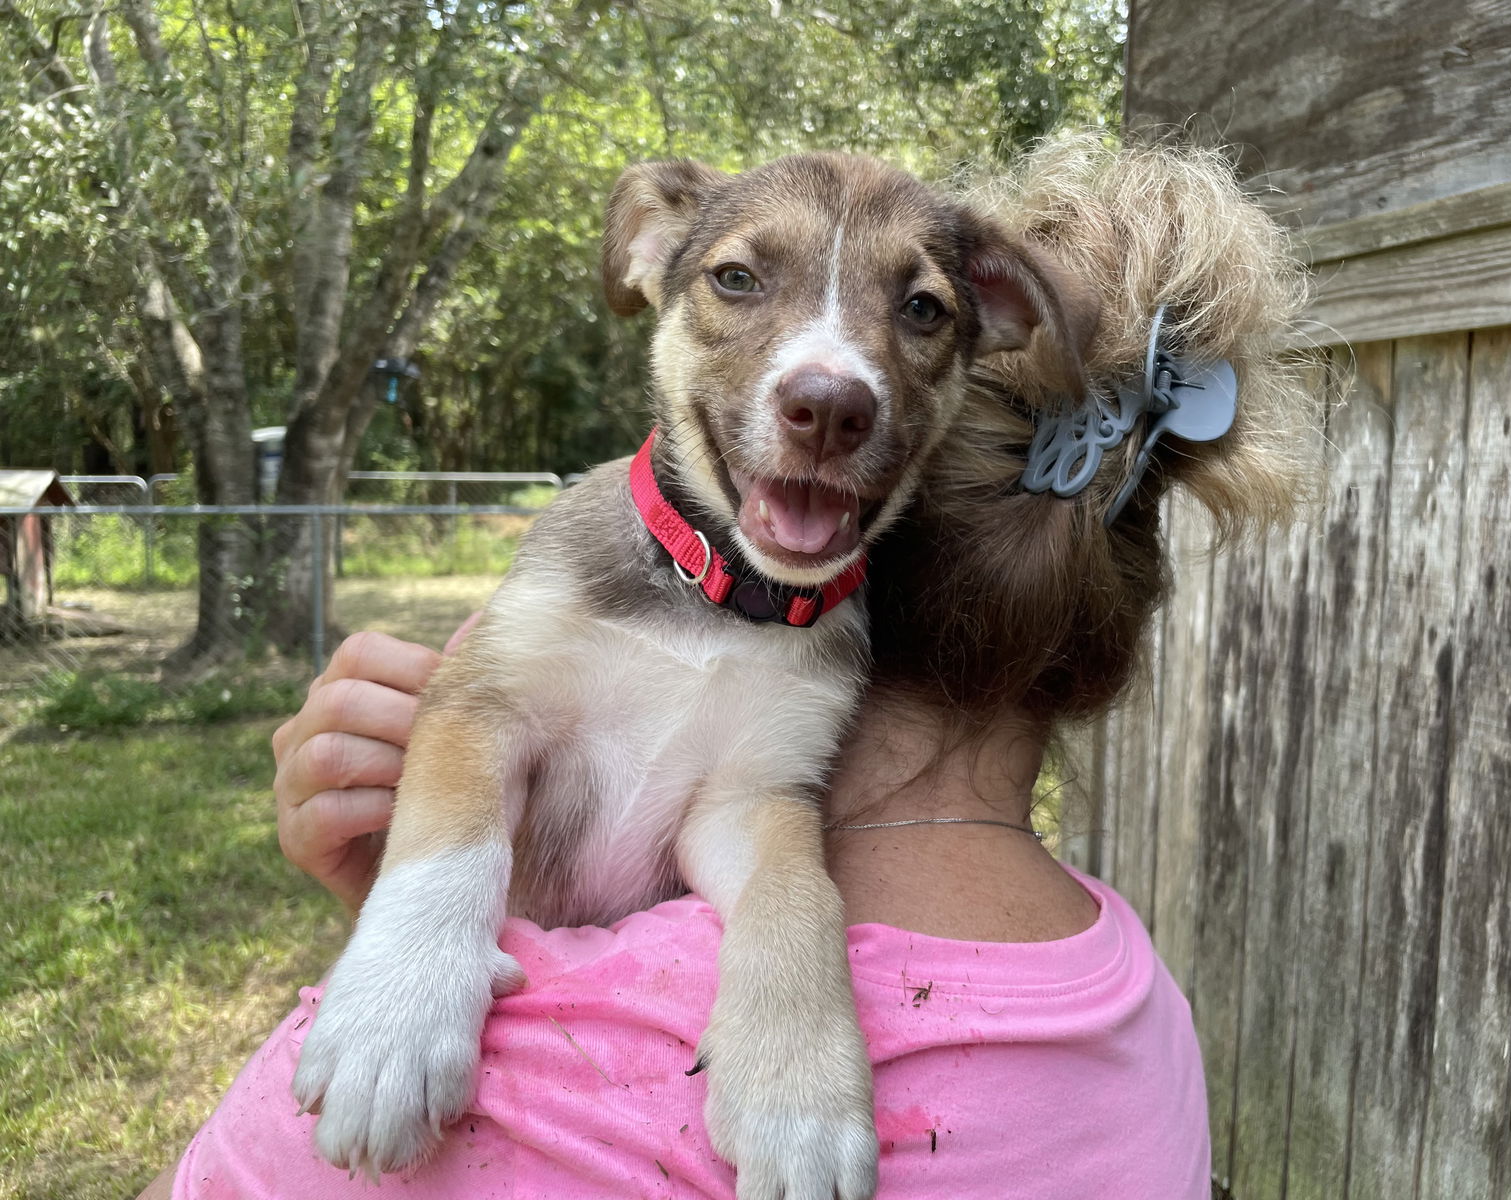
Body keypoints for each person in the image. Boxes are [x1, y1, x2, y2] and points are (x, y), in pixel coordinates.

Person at [139, 135, 1310, 1199]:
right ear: (649, 258)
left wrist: (793, 999)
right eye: (740, 280)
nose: (828, 376)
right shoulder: (579, 547)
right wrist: (411, 930)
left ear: (994, 331)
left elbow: (752, 809)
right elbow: (471, 724)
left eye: (917, 310)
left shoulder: (830, 631)